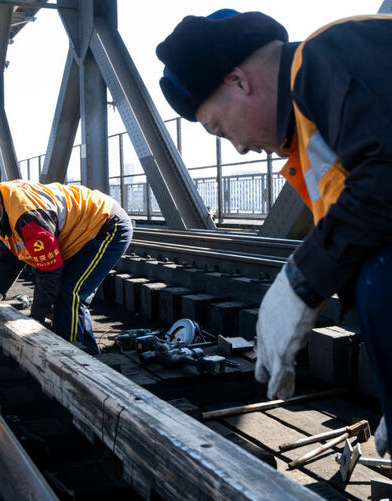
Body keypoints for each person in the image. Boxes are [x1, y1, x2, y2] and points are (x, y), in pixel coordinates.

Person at [157, 9, 392, 454]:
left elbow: (385, 182)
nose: (239, 147)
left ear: (238, 82)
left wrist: (299, 283)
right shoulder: (312, 140)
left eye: (219, 128)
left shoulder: (330, 54)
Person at [0, 176, 132, 354]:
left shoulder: (28, 217)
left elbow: (49, 270)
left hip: (106, 226)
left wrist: (36, 318)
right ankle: (68, 343)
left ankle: (83, 357)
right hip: (80, 231)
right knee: (63, 294)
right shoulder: (4, 212)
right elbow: (9, 257)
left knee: (71, 294)